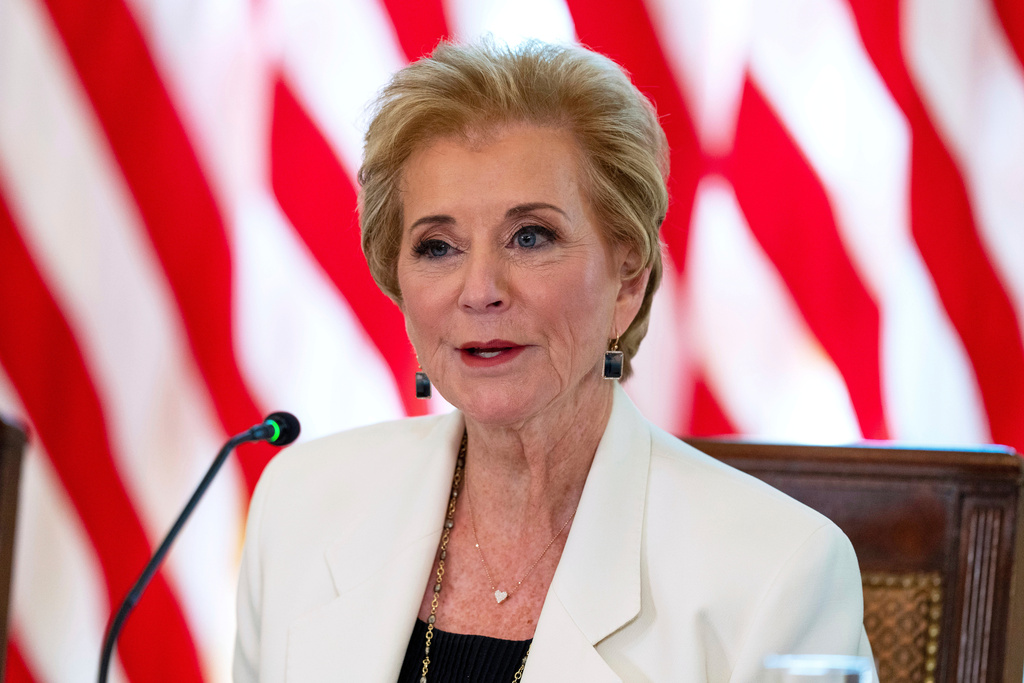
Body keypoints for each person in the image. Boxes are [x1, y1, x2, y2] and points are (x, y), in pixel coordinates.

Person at [233, 40, 874, 682]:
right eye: (437, 246)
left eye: (530, 237)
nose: (480, 288)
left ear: (627, 279)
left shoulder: (778, 570)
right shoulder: (302, 506)